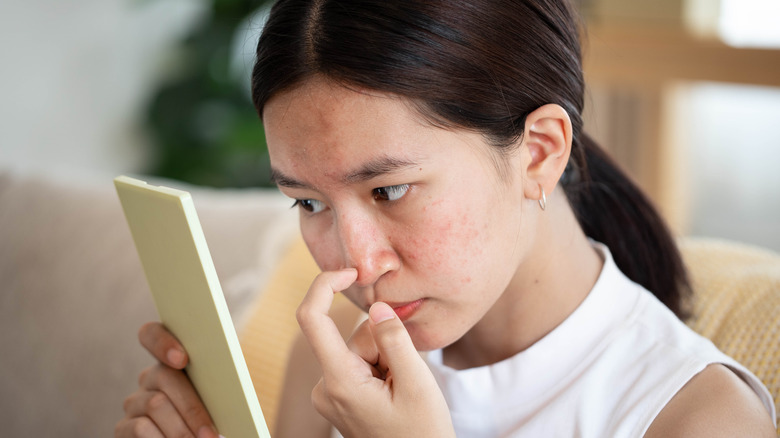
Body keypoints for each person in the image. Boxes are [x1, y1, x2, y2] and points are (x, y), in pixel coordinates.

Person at [115, 0, 777, 437]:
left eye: (389, 190)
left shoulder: (699, 418)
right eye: (309, 203)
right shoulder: (339, 360)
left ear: (539, 153)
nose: (355, 266)